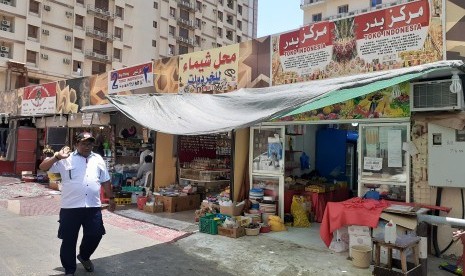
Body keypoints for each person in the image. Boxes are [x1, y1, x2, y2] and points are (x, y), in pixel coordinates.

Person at [39, 132, 116, 276]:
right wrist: (56, 157)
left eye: (90, 144)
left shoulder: (98, 159)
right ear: (76, 144)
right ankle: (69, 270)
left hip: (93, 207)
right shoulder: (65, 158)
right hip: (70, 208)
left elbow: (105, 180)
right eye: (83, 143)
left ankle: (84, 256)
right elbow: (43, 167)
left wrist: (111, 198)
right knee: (69, 240)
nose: (87, 146)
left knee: (95, 234)